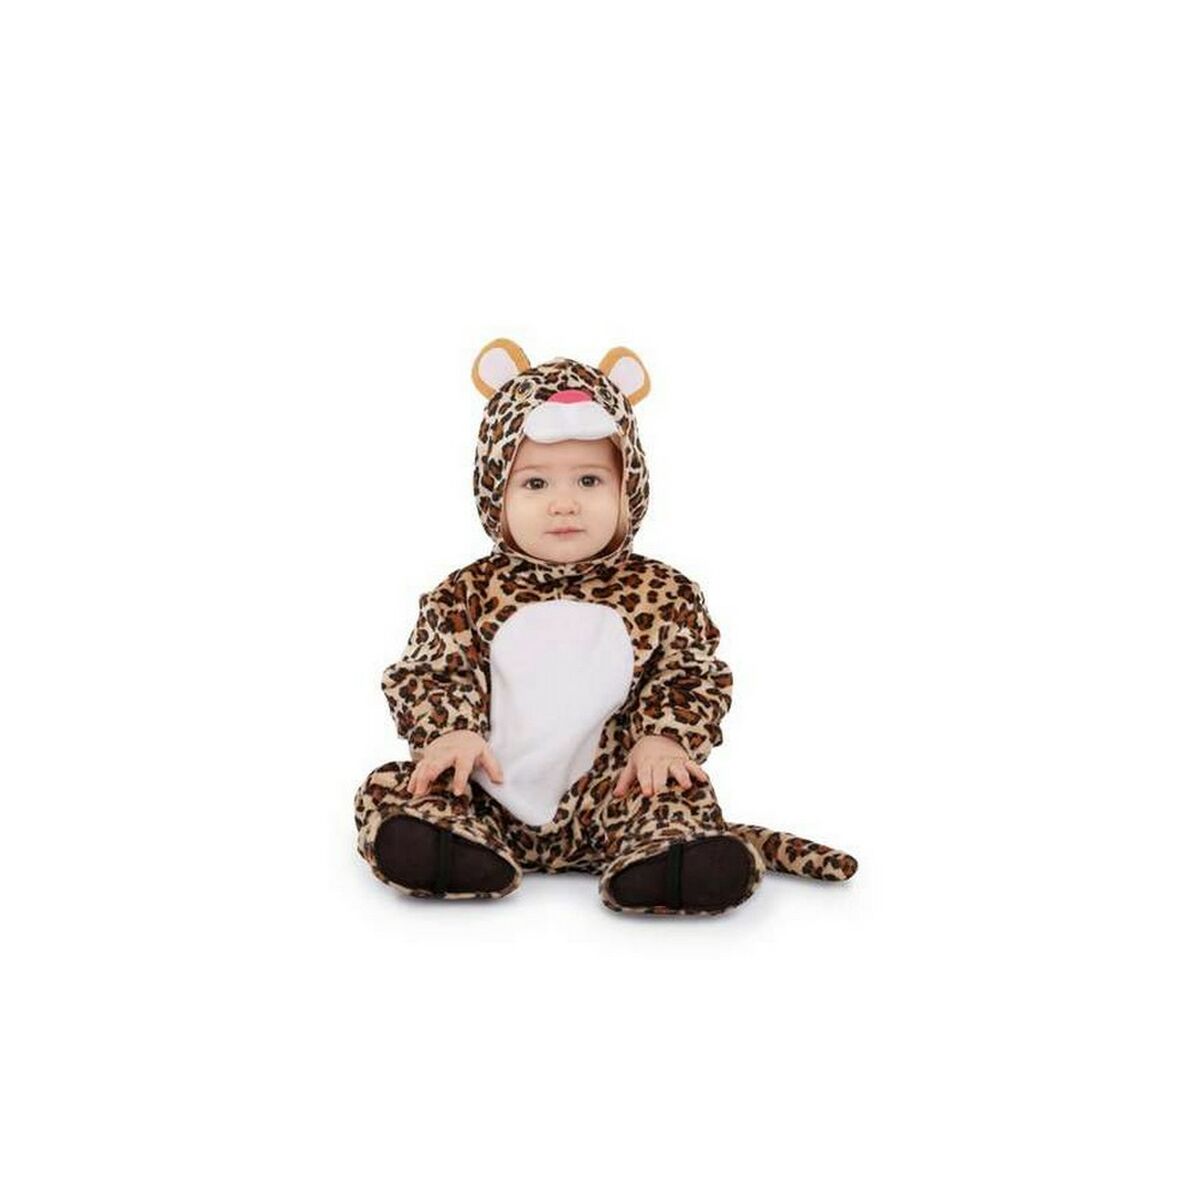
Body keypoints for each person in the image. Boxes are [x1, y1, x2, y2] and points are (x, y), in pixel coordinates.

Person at [353, 339, 857, 915]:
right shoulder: (463, 594)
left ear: (628, 487)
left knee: (676, 794)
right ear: (494, 491)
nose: (564, 503)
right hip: (484, 793)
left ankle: (668, 856)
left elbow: (690, 675)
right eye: (535, 484)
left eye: (590, 481)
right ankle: (449, 846)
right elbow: (430, 671)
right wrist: (448, 732)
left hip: (617, 797)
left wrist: (664, 737)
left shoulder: (664, 593)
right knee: (396, 787)